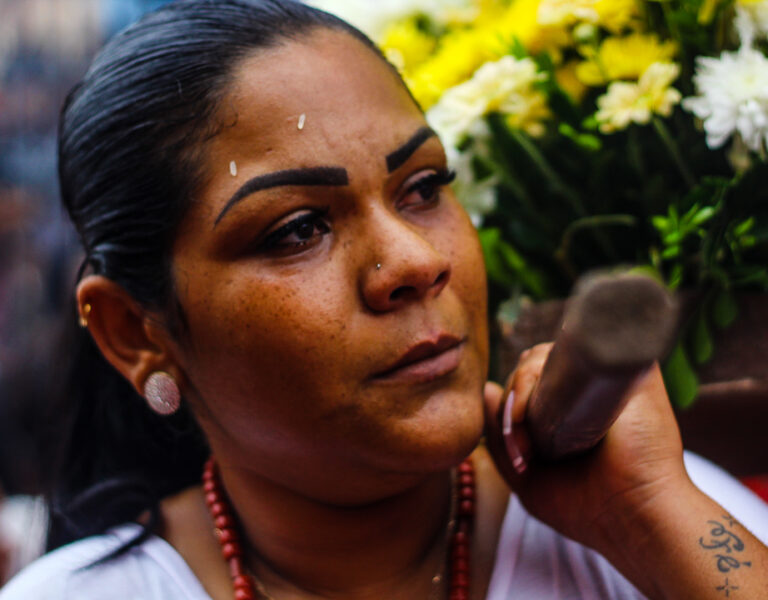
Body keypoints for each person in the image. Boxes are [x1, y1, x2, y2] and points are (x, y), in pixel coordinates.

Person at [2, 1, 767, 598]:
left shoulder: (658, 521)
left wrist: (652, 522)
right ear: (136, 332)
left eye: (423, 188)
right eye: (298, 230)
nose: (417, 261)